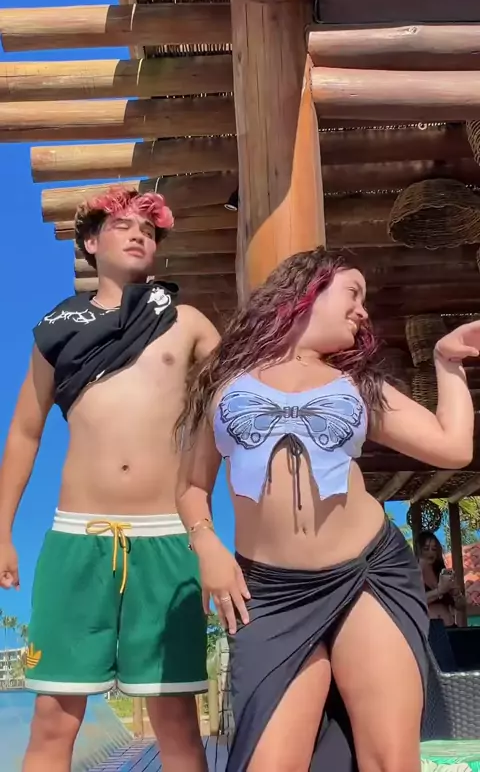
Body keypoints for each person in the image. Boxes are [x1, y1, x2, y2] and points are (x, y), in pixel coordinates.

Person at [175, 247, 479, 772]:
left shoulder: (357, 385)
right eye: (353, 293)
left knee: (389, 760)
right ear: (305, 290)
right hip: (270, 593)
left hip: (368, 576)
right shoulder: (222, 380)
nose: (363, 310)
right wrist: (206, 543)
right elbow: (189, 486)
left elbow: (452, 447)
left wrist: (446, 362)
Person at [0, 188, 219, 772]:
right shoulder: (57, 330)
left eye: (148, 228)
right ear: (91, 244)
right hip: (79, 537)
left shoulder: (187, 323)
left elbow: (244, 397)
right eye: (123, 225)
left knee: (176, 720)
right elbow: (24, 432)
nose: (139, 234)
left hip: (166, 539)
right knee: (53, 717)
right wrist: (2, 532)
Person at [415, 530, 466, 627]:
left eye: (434, 549)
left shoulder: (441, 572)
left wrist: (456, 594)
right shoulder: (414, 573)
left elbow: (461, 606)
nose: (430, 552)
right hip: (430, 629)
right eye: (426, 549)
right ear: (419, 550)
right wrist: (440, 591)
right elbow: (415, 601)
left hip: (450, 626)